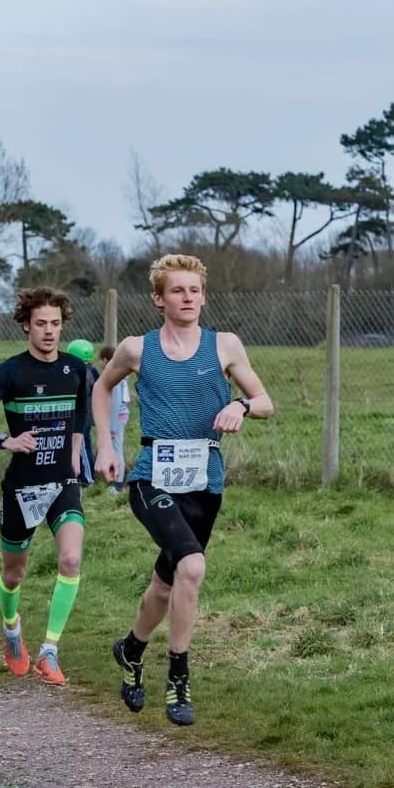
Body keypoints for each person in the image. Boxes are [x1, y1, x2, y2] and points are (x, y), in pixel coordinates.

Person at [92, 254, 273, 727]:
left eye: (194, 290)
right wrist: (106, 446)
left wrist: (241, 406)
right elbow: (101, 388)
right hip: (151, 475)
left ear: (203, 296)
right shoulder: (136, 349)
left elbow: (265, 400)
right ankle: (178, 677)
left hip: (204, 480)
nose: (187, 298)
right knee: (192, 567)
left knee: (167, 581)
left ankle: (130, 650)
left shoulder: (225, 345)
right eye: (177, 290)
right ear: (159, 299)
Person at [0, 287, 90, 685]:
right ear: (26, 326)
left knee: (70, 560)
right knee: (14, 574)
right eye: (41, 324)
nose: (49, 331)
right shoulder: (10, 372)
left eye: (55, 324)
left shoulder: (75, 369)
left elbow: (82, 415)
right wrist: (7, 440)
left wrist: (76, 448)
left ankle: (49, 651)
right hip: (22, 487)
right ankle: (12, 630)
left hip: (62, 484)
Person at [100, 345, 131, 494]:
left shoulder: (115, 378)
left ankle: (118, 484)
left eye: (101, 360)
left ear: (106, 360)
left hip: (117, 418)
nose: (100, 364)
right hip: (120, 416)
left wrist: (111, 428)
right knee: (116, 449)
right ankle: (116, 482)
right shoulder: (121, 374)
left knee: (117, 450)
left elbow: (116, 403)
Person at [66, 339, 97, 486]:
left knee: (83, 448)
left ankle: (88, 479)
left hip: (81, 417)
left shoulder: (81, 373)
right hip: (86, 416)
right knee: (82, 446)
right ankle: (79, 476)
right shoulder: (92, 371)